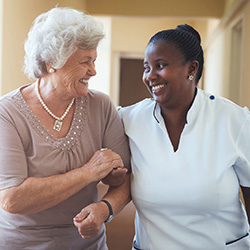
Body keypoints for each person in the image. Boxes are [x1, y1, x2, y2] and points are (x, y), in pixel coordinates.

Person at [0, 7, 130, 250]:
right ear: (52, 63)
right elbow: (12, 199)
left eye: (94, 60)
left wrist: (104, 209)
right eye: (85, 62)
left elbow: (126, 179)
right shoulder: (7, 113)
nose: (93, 71)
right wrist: (89, 172)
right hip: (20, 244)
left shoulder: (100, 105)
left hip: (87, 244)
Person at [118, 24, 250, 249]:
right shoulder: (129, 120)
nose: (150, 76)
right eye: (146, 67)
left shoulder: (233, 120)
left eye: (160, 66)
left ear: (192, 68)